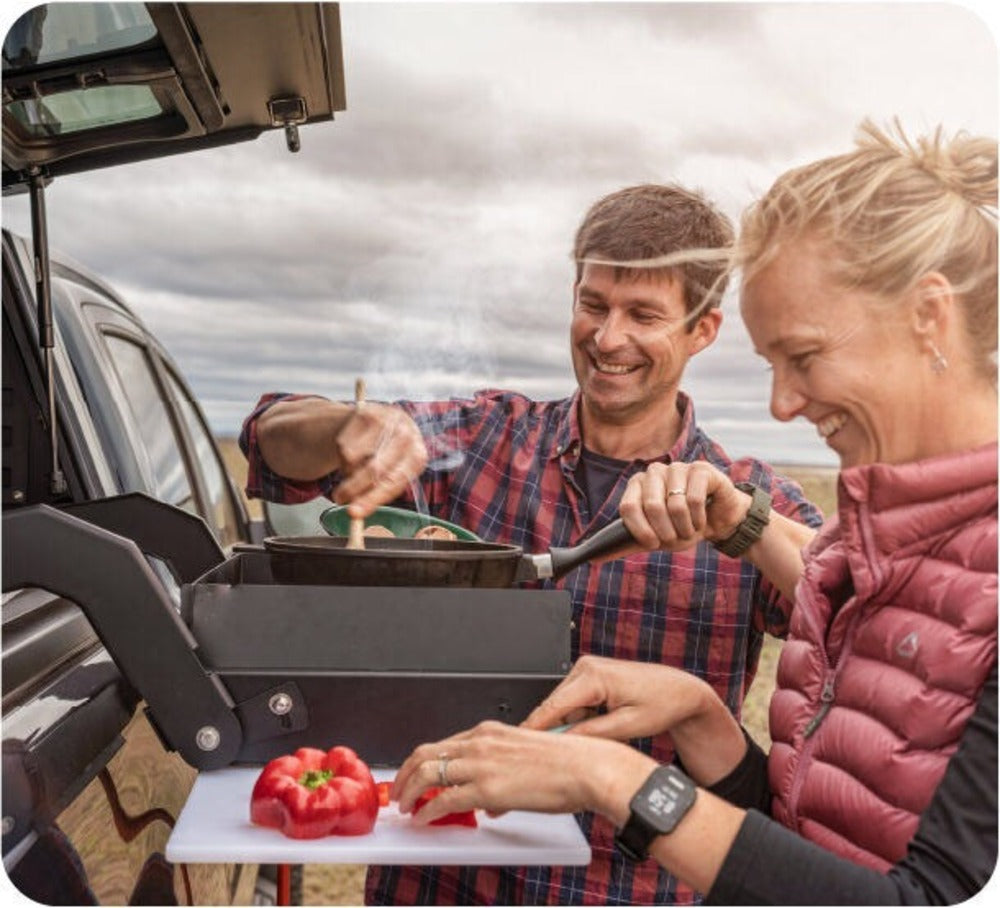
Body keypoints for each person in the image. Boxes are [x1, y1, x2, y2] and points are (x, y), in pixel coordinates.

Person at [390, 120, 998, 904]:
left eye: (803, 358)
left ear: (929, 315)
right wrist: (706, 719)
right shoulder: (863, 553)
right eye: (772, 365)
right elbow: (802, 849)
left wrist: (610, 774)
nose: (781, 405)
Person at [240, 183, 823, 905]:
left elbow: (851, 611)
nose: (608, 339)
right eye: (593, 304)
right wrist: (342, 427)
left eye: (643, 315)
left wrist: (743, 523)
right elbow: (270, 443)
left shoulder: (742, 493)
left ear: (704, 329)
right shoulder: (483, 439)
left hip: (631, 890)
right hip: (440, 882)